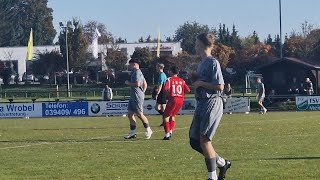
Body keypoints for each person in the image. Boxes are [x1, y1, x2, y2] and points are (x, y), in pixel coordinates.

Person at [189, 33, 231, 180]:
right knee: (194, 141)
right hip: (202, 103)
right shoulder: (201, 63)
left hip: (212, 102)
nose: (194, 46)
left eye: (196, 43)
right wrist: (195, 79)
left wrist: (200, 83)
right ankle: (222, 163)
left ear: (201, 44)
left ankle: (211, 176)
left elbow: (220, 86)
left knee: (205, 139)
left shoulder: (213, 62)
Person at [124, 58, 153, 139]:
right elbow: (145, 83)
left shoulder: (137, 72)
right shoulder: (136, 72)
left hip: (137, 96)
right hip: (134, 96)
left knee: (139, 114)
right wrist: (143, 92)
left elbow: (138, 84)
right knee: (130, 114)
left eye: (130, 64)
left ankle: (148, 130)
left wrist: (128, 83)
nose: (130, 66)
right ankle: (132, 133)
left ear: (134, 64)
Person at [162, 66, 190, 140]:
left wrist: (167, 94)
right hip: (180, 100)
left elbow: (165, 88)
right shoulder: (182, 80)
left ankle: (167, 134)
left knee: (166, 116)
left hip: (172, 99)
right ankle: (170, 131)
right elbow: (188, 90)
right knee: (173, 115)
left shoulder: (169, 79)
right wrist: (181, 94)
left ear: (171, 71)